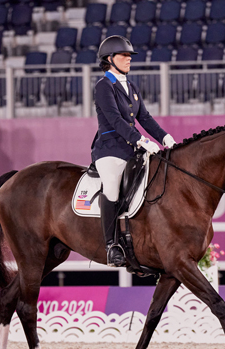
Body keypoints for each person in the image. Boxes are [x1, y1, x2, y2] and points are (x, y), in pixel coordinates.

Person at [91, 35, 177, 268]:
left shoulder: (131, 86)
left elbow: (144, 118)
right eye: (124, 56)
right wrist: (140, 139)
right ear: (110, 59)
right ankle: (111, 246)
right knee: (111, 187)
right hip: (110, 150)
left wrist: (164, 137)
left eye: (130, 56)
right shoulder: (103, 86)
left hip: (132, 149)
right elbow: (115, 120)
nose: (129, 60)